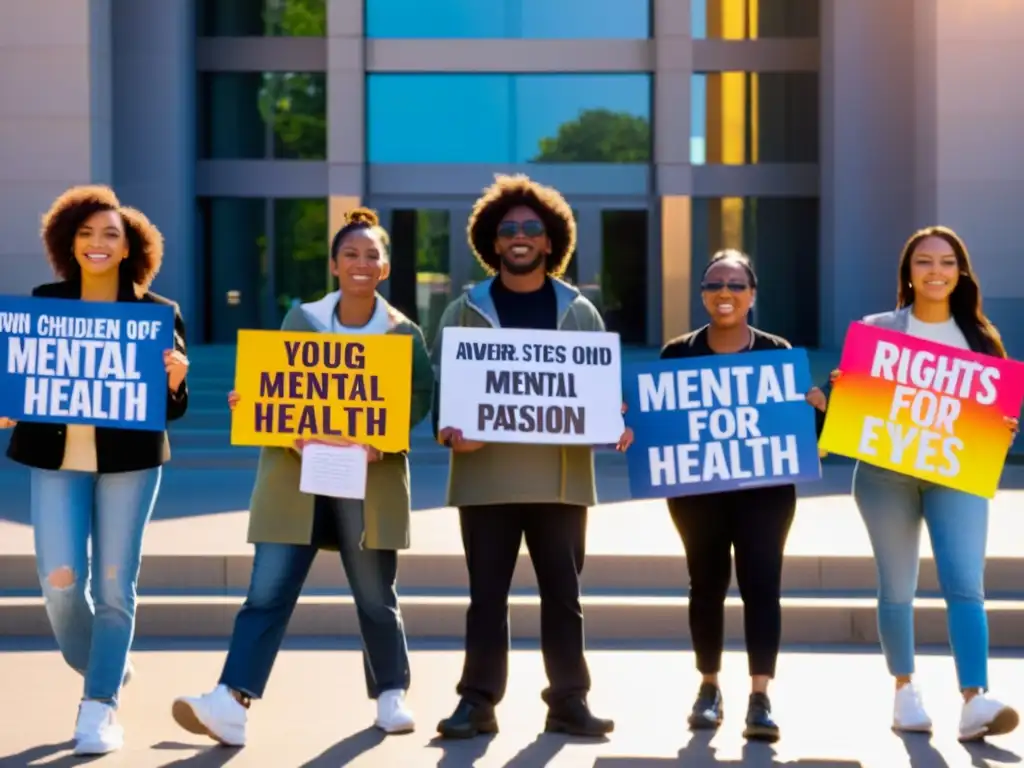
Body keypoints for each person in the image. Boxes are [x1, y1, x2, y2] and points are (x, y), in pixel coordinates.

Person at [171, 208, 434, 746]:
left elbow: (420, 398)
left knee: (375, 594)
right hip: (298, 476)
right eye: (350, 255)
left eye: (372, 256)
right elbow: (279, 388)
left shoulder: (403, 332)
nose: (361, 264)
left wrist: (378, 445)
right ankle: (230, 703)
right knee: (266, 592)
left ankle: (391, 695)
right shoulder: (302, 321)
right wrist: (256, 404)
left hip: (368, 477)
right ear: (335, 265)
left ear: (384, 268)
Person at [432, 174, 633, 740]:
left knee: (563, 598)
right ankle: (477, 702)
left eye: (531, 229)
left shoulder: (580, 312)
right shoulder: (464, 310)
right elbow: (444, 393)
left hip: (561, 481)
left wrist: (612, 420)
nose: (519, 236)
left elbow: (600, 392)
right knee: (485, 598)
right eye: (508, 229)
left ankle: (569, 701)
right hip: (485, 480)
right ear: (492, 243)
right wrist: (450, 435)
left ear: (550, 242)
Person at [0, 185, 189, 755]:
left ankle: (99, 705)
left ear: (132, 247)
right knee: (59, 582)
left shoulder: (159, 314)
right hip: (56, 460)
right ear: (68, 243)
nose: (98, 244)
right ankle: (106, 663)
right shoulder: (45, 301)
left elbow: (171, 407)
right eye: (86, 234)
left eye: (111, 234)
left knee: (113, 586)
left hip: (130, 465)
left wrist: (175, 378)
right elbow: (23, 378)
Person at [814, 226, 1018, 742]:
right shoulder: (877, 330)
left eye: (947, 262)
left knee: (966, 585)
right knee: (898, 585)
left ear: (960, 273)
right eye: (924, 262)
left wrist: (1001, 427)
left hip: (957, 476)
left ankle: (976, 699)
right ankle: (905, 691)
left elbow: (988, 415)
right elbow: (853, 409)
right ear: (908, 272)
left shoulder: (981, 339)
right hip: (886, 478)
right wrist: (837, 398)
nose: (936, 272)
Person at [659, 249, 821, 743]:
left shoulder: (777, 351)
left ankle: (760, 697)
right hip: (697, 494)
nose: (723, 293)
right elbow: (663, 424)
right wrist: (632, 424)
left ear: (752, 295)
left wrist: (818, 409)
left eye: (734, 284)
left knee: (761, 585)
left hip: (765, 496)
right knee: (704, 584)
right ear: (702, 295)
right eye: (713, 285)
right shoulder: (677, 354)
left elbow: (803, 435)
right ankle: (708, 689)